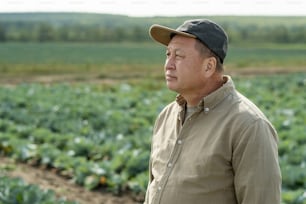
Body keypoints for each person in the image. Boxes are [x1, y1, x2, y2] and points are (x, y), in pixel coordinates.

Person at [144, 19, 281, 204]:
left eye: (179, 56)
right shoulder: (166, 116)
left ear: (209, 66)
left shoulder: (248, 125)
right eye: (168, 54)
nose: (169, 64)